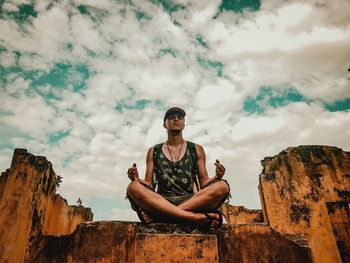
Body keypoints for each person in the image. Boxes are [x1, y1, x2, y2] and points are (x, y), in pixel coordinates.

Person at [126, 107, 230, 231]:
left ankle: (163, 216)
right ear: (165, 124)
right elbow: (149, 185)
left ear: (184, 124)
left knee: (222, 186)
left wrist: (217, 177)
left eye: (179, 118)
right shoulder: (154, 151)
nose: (176, 119)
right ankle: (194, 217)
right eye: (171, 117)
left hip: (190, 200)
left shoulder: (196, 149)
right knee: (132, 187)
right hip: (162, 200)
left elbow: (204, 183)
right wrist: (137, 179)